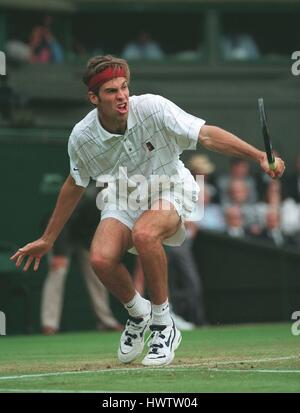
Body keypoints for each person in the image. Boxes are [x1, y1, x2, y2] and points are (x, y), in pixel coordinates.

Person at [10, 55, 285, 367]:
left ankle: (163, 325)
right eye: (112, 91)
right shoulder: (82, 137)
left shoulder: (153, 107)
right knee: (100, 258)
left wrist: (258, 155)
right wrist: (48, 238)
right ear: (94, 98)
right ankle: (138, 314)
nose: (122, 96)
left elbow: (206, 135)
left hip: (171, 188)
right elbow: (74, 184)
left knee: (145, 233)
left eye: (125, 88)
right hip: (123, 197)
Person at [41, 185, 123, 335]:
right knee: (58, 271)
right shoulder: (87, 198)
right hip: (62, 234)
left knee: (98, 273)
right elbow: (62, 221)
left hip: (84, 239)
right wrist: (59, 252)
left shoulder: (117, 202)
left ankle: (106, 321)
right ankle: (49, 324)